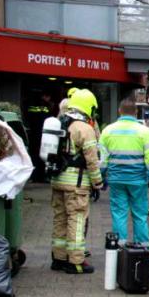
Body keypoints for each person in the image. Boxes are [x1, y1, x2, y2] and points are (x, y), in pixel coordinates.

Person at [50, 88, 104, 274]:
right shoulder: (84, 128)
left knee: (60, 219)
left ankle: (58, 258)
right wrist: (98, 182)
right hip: (76, 184)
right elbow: (92, 160)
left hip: (57, 180)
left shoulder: (60, 123)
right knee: (77, 220)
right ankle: (76, 262)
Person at [98, 97, 149, 248]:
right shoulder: (145, 132)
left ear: (119, 111)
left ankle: (119, 249)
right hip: (138, 181)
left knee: (119, 214)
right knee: (140, 215)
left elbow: (103, 160)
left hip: (116, 180)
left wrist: (102, 177)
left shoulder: (107, 131)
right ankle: (143, 248)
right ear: (135, 112)